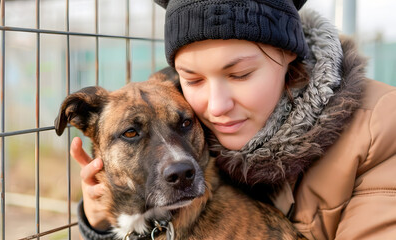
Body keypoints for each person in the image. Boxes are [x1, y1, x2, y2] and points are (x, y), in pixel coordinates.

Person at [71, 0, 396, 239]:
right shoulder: (190, 122)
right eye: (194, 80)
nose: (216, 105)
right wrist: (99, 216)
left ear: (290, 57)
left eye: (240, 74)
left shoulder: (381, 126)